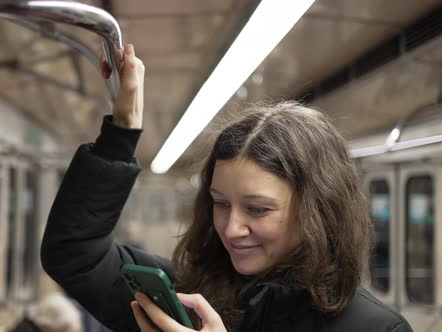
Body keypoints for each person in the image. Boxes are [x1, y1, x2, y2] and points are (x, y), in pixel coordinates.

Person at [41, 44, 412, 331]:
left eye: (258, 209)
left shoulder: (376, 327)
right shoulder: (187, 298)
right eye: (220, 203)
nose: (231, 228)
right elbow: (75, 252)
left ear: (318, 209)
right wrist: (121, 130)